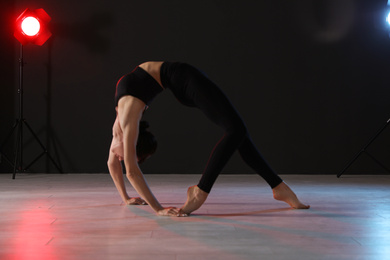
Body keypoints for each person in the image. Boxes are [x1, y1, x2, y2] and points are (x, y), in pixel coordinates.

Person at [107, 61, 309, 217]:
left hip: (184, 77)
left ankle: (200, 191)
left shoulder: (128, 120)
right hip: (180, 83)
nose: (122, 159)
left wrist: (158, 209)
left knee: (238, 131)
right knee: (237, 131)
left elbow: (132, 172)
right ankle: (279, 187)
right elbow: (112, 164)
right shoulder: (118, 133)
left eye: (127, 155)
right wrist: (126, 198)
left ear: (131, 142)